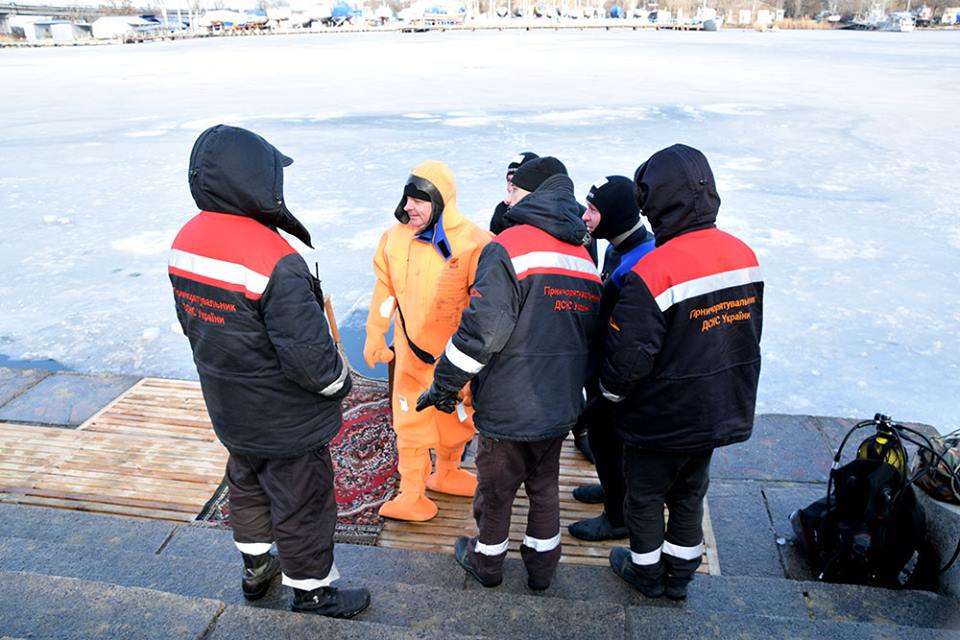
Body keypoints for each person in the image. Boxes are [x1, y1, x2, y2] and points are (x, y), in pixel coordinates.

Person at [168, 125, 369, 618]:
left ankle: (257, 569)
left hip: (229, 405)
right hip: (285, 420)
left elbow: (191, 324)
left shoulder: (186, 240)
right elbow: (309, 358)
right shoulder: (273, 258)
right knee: (302, 501)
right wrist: (340, 384)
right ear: (252, 181)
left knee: (247, 484)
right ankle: (313, 591)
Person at [417, 157, 601, 591]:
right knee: (544, 487)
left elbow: (483, 330)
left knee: (496, 491)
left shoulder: (509, 246)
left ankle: (487, 564)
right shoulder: (582, 256)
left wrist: (445, 384)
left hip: (508, 403)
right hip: (558, 404)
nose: (507, 195)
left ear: (532, 195)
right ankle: (541, 570)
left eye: (514, 189)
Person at [601, 144, 764, 600]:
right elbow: (748, 335)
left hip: (662, 416)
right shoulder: (744, 255)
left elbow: (628, 359)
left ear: (655, 201)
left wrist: (609, 397)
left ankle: (646, 572)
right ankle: (681, 576)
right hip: (717, 408)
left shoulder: (655, 269)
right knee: (690, 494)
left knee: (646, 496)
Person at [364, 161, 491, 522]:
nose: (409, 207)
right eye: (408, 197)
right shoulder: (393, 238)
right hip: (410, 357)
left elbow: (489, 306)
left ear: (442, 200)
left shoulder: (476, 242)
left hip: (458, 358)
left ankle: (447, 471)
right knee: (411, 424)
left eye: (420, 199)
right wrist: (376, 333)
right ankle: (411, 493)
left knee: (459, 418)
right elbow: (386, 291)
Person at [568, 175, 656, 542]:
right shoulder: (616, 247)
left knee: (610, 437)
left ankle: (618, 516)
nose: (584, 217)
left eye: (592, 210)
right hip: (602, 361)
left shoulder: (644, 257)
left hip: (621, 373)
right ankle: (611, 487)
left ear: (616, 214)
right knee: (606, 441)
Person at [489, 151, 538, 235]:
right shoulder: (502, 210)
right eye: (508, 181)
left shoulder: (555, 214)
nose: (509, 188)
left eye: (515, 184)